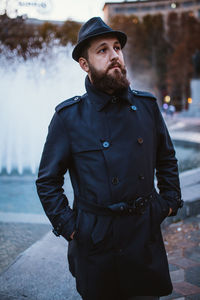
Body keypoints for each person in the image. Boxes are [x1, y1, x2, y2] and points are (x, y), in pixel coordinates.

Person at [36, 17, 183, 300]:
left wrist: (168, 203)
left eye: (117, 47)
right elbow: (47, 182)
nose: (114, 55)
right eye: (102, 50)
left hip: (143, 238)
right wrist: (71, 228)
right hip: (97, 244)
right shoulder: (69, 118)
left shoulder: (146, 106)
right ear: (84, 64)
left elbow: (167, 158)